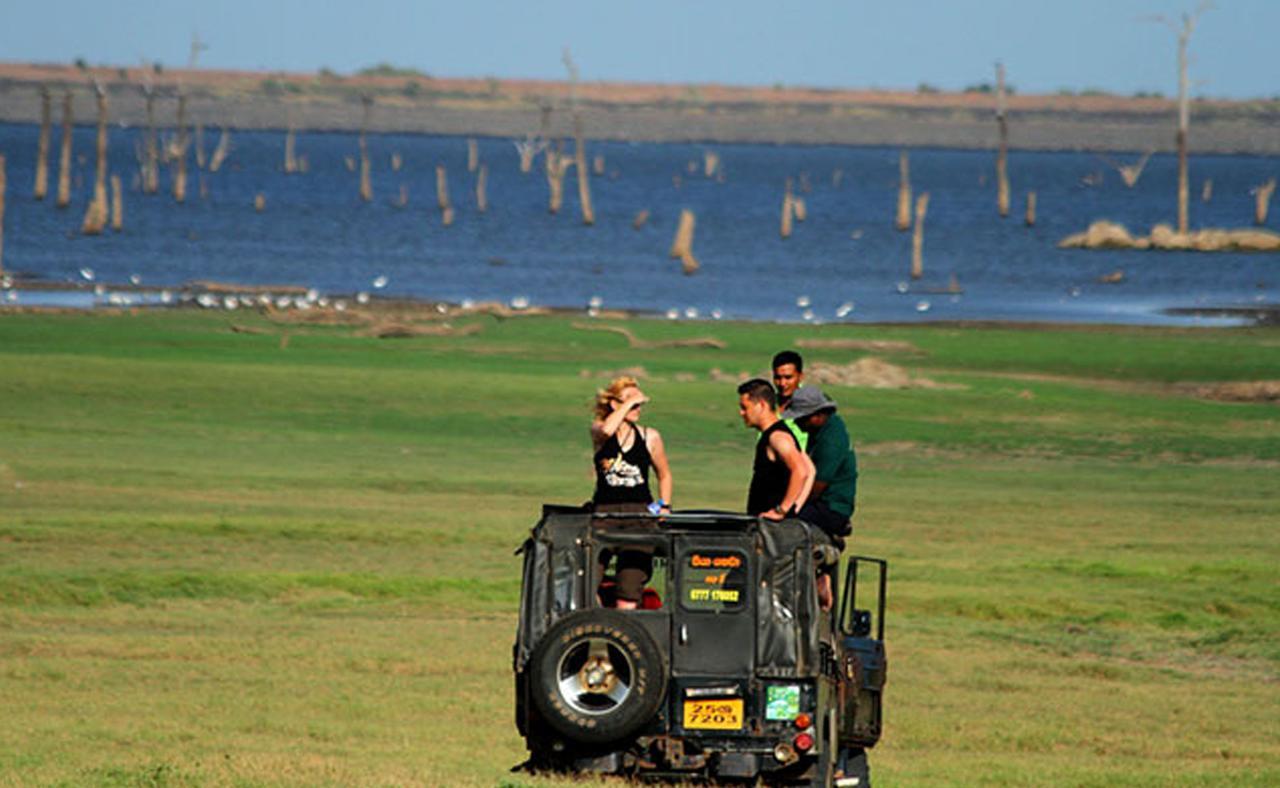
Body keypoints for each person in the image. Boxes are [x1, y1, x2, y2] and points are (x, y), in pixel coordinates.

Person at [591, 376, 673, 609]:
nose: (637, 407)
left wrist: (663, 505)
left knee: (628, 589)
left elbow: (664, 474)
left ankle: (620, 641)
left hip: (638, 514)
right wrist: (627, 404)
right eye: (631, 402)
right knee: (584, 582)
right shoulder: (599, 430)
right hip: (604, 514)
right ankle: (598, 627)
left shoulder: (650, 436)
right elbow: (607, 430)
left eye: (639, 404)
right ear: (615, 405)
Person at [781, 386, 858, 610]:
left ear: (817, 416)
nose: (796, 423)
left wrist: (789, 506)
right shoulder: (823, 431)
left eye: (801, 418)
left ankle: (820, 574)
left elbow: (817, 486)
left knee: (784, 526)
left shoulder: (831, 439)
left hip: (830, 507)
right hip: (825, 504)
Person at [737, 378, 814, 520]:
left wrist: (782, 510)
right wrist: (795, 507)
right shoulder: (776, 434)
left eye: (744, 407)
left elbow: (801, 471)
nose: (741, 413)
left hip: (772, 528)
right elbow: (810, 470)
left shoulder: (777, 437)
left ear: (761, 405)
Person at [772, 350, 808, 452]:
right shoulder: (769, 404)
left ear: (800, 377)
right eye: (778, 378)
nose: (783, 383)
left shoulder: (811, 406)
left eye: (788, 377)